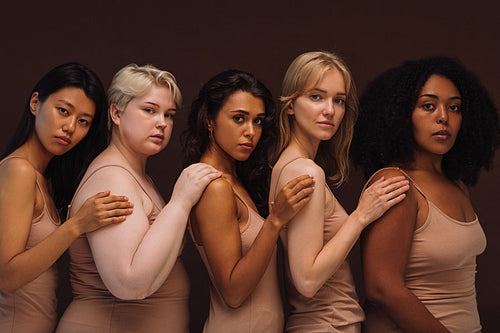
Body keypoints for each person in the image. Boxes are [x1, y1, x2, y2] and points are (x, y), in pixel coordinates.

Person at [56, 64, 221, 333]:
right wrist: (180, 202)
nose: (162, 123)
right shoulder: (112, 179)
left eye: (169, 115)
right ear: (116, 112)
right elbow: (129, 284)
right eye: (149, 110)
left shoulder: (135, 176)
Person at [350, 56, 500, 333]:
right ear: (401, 115)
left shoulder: (455, 185)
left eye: (454, 108)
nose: (443, 116)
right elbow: (381, 288)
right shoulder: (396, 183)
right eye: (428, 106)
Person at [269, 51, 410, 332]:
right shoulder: (305, 172)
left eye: (339, 100)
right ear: (290, 106)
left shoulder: (286, 165)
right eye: (316, 97)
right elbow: (306, 281)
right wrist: (361, 216)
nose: (330, 110)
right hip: (327, 325)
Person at [0, 63, 133, 333]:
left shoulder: (41, 178)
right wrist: (76, 225)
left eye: (83, 121)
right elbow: (7, 277)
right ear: (36, 103)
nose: (70, 127)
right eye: (63, 111)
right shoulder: (18, 170)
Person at [182, 69, 315, 332]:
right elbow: (233, 293)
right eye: (239, 119)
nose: (251, 132)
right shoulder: (215, 188)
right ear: (210, 120)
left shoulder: (235, 181)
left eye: (258, 121)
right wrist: (275, 220)